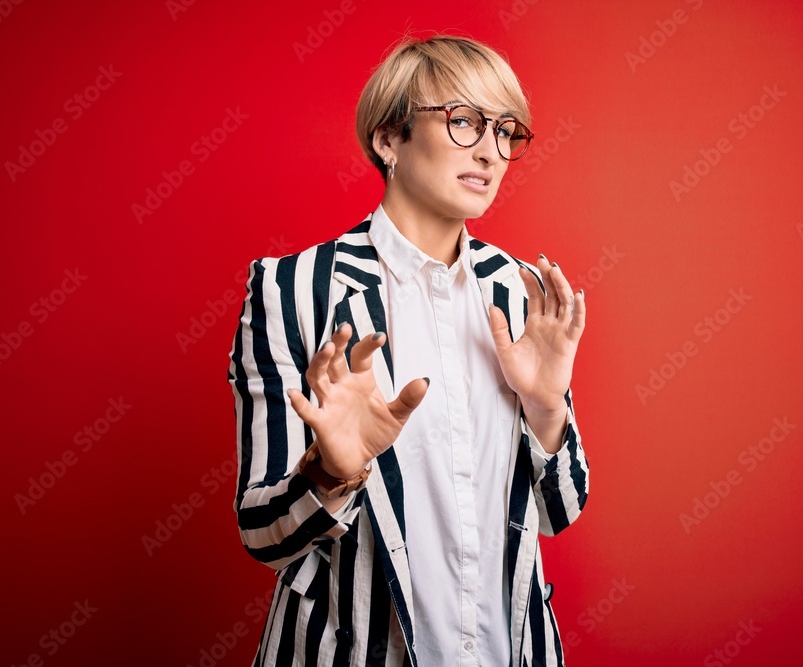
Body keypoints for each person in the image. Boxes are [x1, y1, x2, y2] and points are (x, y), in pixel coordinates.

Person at [227, 34, 589, 666]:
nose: (491, 151)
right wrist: (331, 471)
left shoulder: (519, 290)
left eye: (506, 130)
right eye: (464, 121)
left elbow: (559, 513)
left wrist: (546, 407)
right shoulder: (295, 290)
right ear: (389, 139)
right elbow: (263, 535)